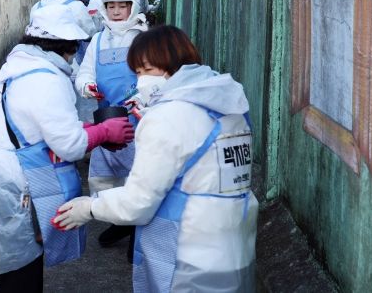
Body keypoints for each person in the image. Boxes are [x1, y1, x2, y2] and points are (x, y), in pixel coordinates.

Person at [54, 26, 258, 293]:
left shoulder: (167, 116)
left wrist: (90, 207)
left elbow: (138, 202)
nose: (141, 81)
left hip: (185, 252)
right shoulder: (229, 104)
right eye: (138, 72)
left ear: (172, 63)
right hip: (234, 244)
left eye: (147, 70)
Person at [0, 5, 134, 293]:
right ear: (67, 45)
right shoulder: (46, 79)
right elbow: (70, 145)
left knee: (13, 262)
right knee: (22, 270)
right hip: (16, 183)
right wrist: (103, 131)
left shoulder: (21, 65)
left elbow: (39, 126)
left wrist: (88, 129)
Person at [74, 0, 147, 252]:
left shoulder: (143, 39)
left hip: (138, 120)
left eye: (122, 6)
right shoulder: (98, 40)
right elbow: (85, 72)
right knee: (107, 178)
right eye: (111, 6)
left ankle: (138, 228)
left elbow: (153, 77)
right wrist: (87, 86)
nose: (116, 11)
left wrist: (139, 97)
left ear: (133, 7)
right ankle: (119, 220)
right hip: (107, 119)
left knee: (138, 176)